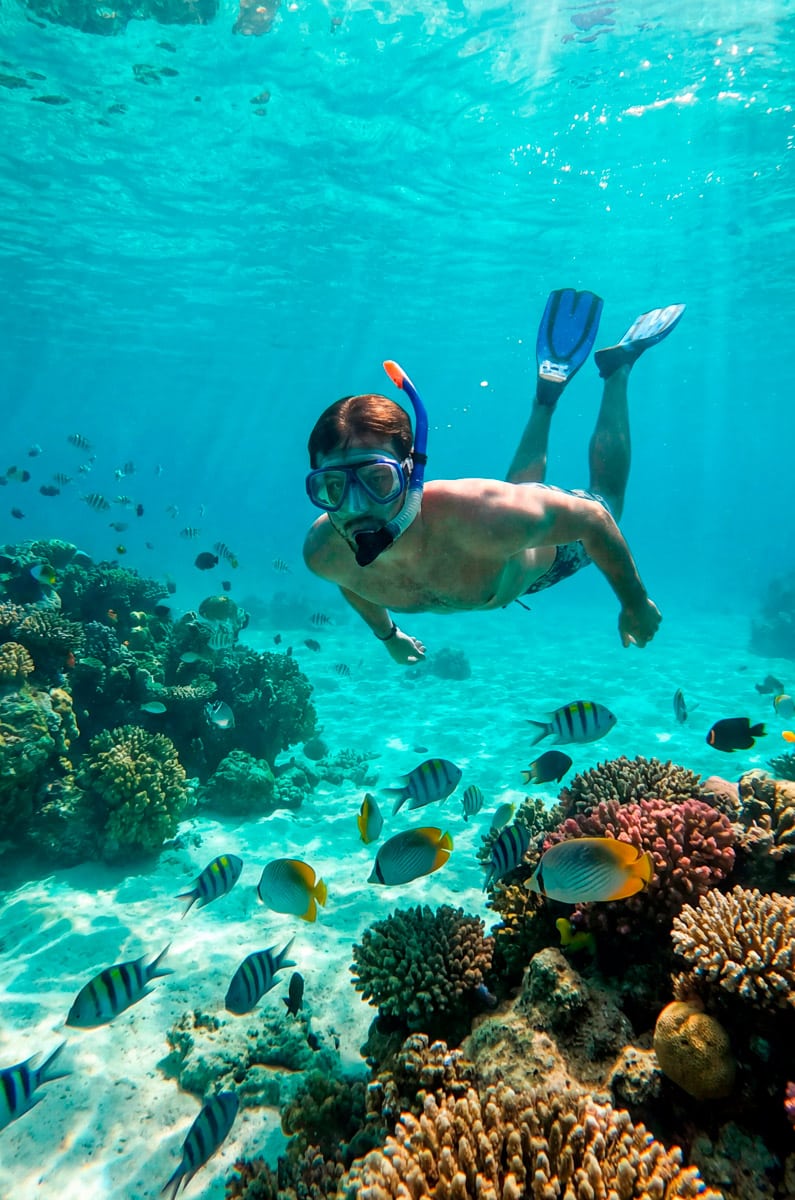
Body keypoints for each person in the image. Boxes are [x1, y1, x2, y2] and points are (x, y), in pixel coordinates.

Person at [303, 288, 685, 666]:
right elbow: (351, 580)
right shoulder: (326, 552)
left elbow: (594, 520)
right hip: (506, 536)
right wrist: (389, 636)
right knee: (517, 497)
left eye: (376, 479)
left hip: (542, 559)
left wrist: (634, 602)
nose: (355, 507)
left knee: (608, 501)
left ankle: (618, 371)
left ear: (411, 472)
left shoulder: (480, 515)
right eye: (333, 486)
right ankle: (546, 399)